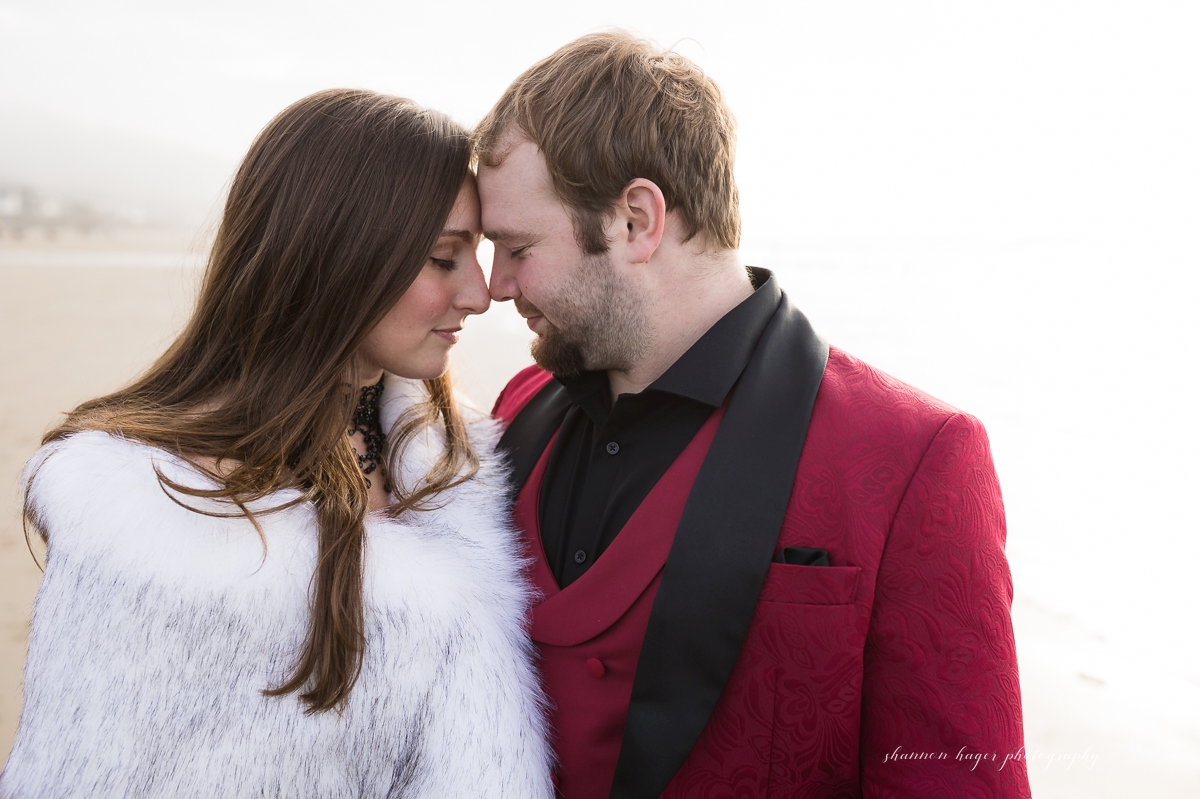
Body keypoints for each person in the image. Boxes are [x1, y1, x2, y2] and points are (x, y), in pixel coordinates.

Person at [476, 32, 1031, 798]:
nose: (494, 286)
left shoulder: (919, 457)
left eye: (516, 247)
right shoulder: (516, 410)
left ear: (637, 219)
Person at [0, 89, 552, 799]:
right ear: (339, 261)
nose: (481, 293)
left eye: (475, 252)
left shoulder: (460, 461)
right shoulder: (149, 529)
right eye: (444, 258)